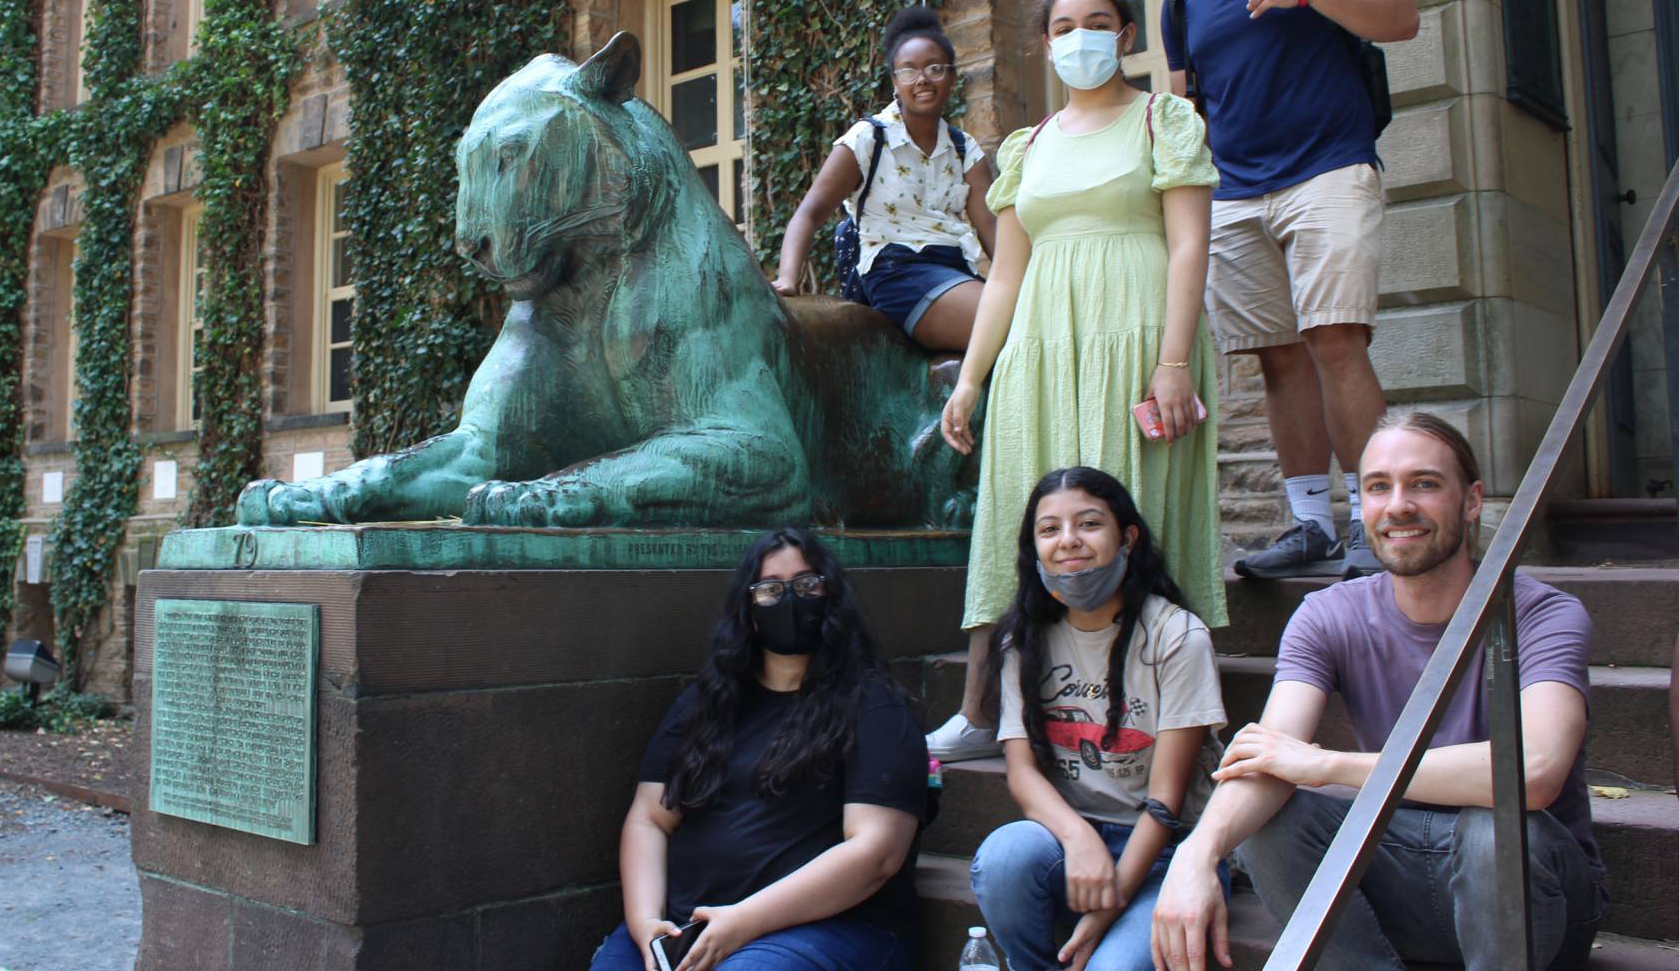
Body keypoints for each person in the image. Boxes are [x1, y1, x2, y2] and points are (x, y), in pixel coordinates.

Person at [1150, 412, 1608, 971]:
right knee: (1268, 822)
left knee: (1494, 828)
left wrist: (1332, 766)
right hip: (1405, 871)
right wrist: (1196, 855)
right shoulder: (1327, 615)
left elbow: (1532, 773)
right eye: (1377, 487)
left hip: (1536, 891)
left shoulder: (1542, 614)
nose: (1397, 506)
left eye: (1424, 484)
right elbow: (1268, 756)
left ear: (1471, 501)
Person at [928, 0, 1224, 764]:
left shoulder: (1165, 122)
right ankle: (983, 707)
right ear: (1047, 41)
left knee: (1138, 514)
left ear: (1126, 35)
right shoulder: (1026, 148)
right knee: (1017, 516)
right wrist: (970, 378)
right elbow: (1005, 275)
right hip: (1040, 348)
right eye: (1063, 26)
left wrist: (1172, 362)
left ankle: (1167, 707)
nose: (1080, 38)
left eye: (1098, 22)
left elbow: (1191, 242)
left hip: (1137, 342)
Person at [1158, 0, 1420, 579]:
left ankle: (1378, 525)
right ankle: (1311, 524)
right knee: (1277, 360)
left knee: (1336, 339)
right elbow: (1184, 111)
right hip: (1235, 193)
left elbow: (1400, 17)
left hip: (1328, 170)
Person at [588, 527, 926, 971]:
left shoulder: (875, 707)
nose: (790, 600)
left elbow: (876, 853)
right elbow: (650, 817)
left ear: (833, 598)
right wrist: (646, 924)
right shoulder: (704, 703)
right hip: (686, 926)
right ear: (747, 611)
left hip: (824, 929)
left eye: (807, 585)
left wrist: (743, 922)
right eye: (769, 590)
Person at [970, 467, 1228, 971]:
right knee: (1005, 856)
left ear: (1127, 537)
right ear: (1033, 547)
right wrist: (1077, 837)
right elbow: (1022, 774)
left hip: (1165, 854)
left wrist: (1109, 907)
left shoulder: (1176, 636)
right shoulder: (1022, 642)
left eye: (1088, 524)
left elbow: (1166, 799)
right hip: (1069, 843)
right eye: (1049, 530)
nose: (1068, 542)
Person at [773, 6, 996, 352]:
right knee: (1005, 322)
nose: (922, 79)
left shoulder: (964, 149)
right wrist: (789, 277)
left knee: (1030, 317)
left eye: (935, 68)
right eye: (908, 70)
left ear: (952, 77)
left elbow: (992, 229)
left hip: (956, 271)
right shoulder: (868, 138)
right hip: (896, 274)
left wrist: (1025, 283)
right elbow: (810, 211)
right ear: (894, 81)